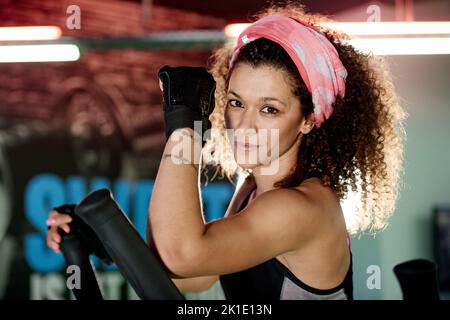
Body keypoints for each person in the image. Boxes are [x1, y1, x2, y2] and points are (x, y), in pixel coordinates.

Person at [46, 3, 406, 300]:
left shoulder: (300, 206)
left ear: (308, 119)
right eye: (236, 102)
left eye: (269, 109)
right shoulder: (252, 188)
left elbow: (185, 255)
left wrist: (184, 131)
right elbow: (191, 276)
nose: (245, 125)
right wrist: (103, 241)